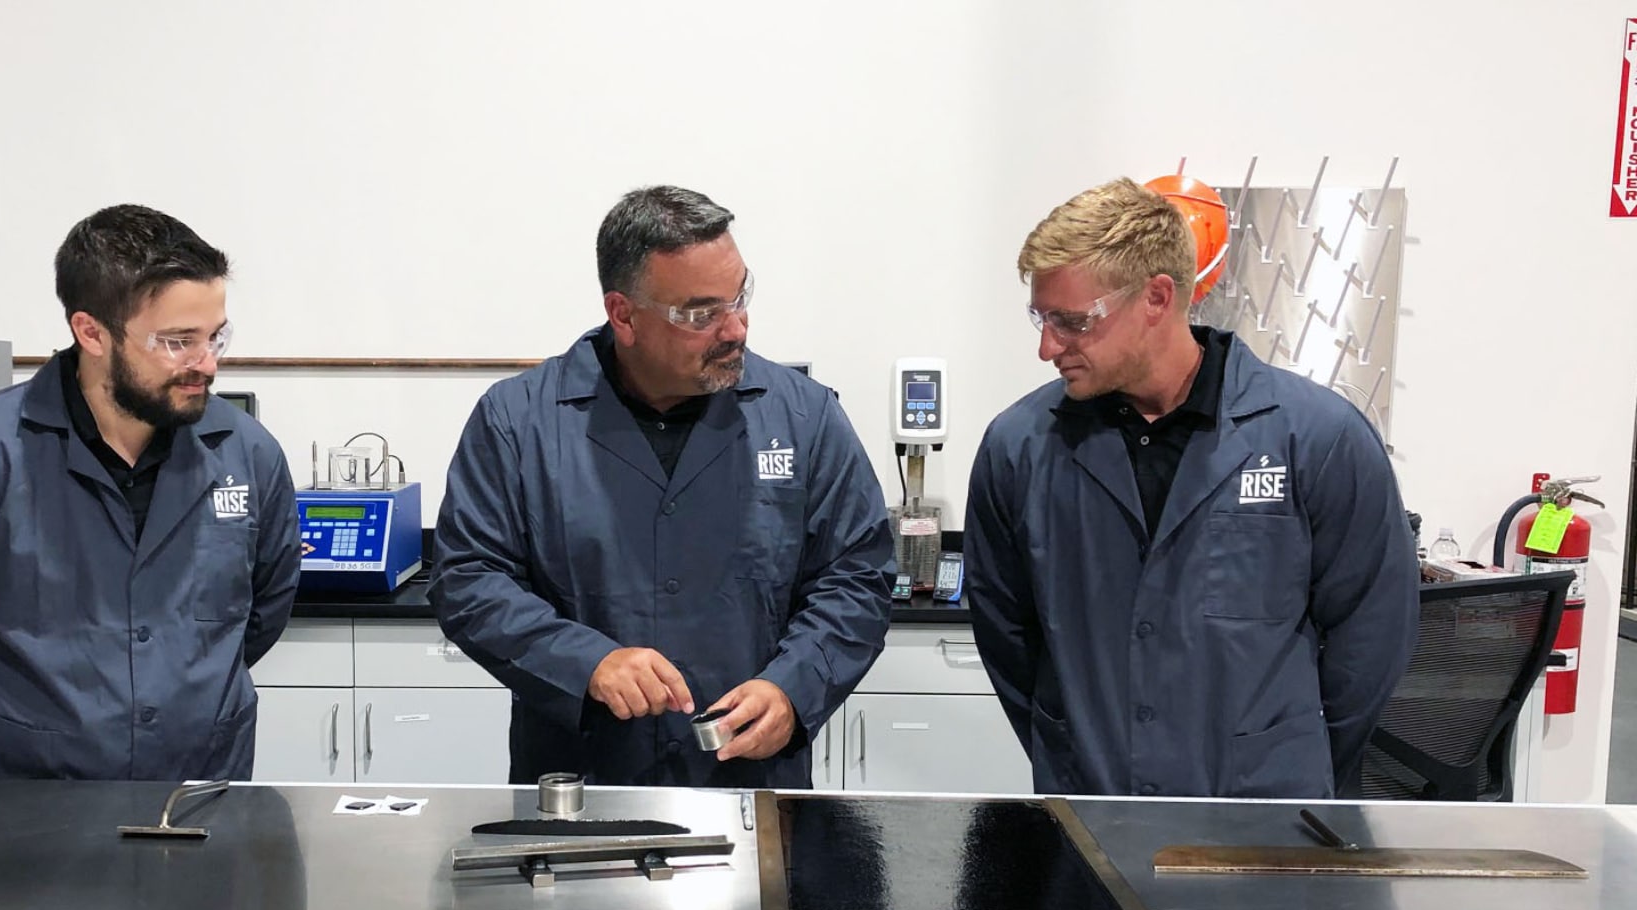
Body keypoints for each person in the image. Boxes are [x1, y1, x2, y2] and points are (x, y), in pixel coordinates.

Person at [965, 177, 1417, 799]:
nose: (1048, 347)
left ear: (1156, 297)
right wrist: (1071, 743)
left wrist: (1288, 763)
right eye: (1041, 320)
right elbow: (1007, 636)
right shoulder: (1021, 449)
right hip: (1091, 807)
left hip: (1263, 824)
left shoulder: (1317, 438)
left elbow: (1372, 636)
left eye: (1072, 322)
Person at [429, 185, 894, 788]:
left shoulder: (804, 420)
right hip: (582, 783)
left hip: (748, 780)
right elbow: (469, 579)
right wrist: (585, 662)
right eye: (701, 313)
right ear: (624, 315)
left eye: (739, 297)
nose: (736, 329)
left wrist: (792, 689)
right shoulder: (518, 423)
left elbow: (857, 577)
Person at [0, 204, 300, 806]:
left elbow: (264, 607)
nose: (207, 363)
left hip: (196, 789)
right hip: (17, 800)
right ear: (91, 332)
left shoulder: (246, 454)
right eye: (177, 341)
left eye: (215, 336)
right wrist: (23, 716)